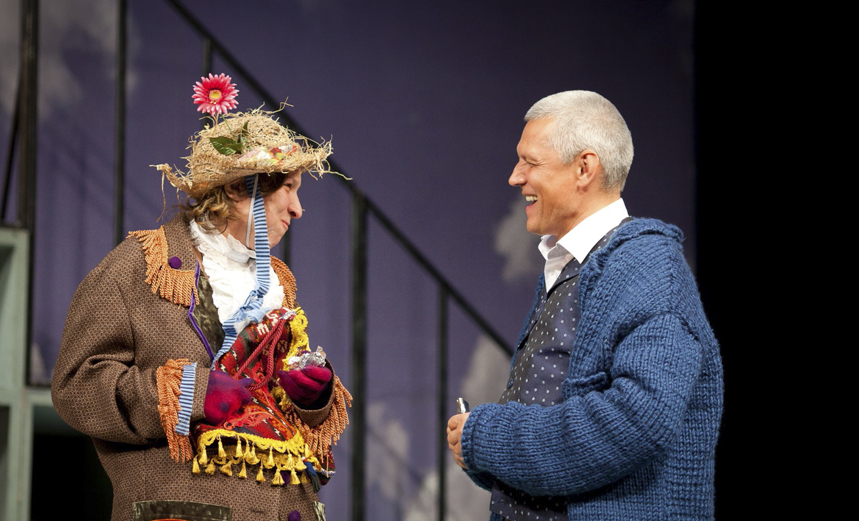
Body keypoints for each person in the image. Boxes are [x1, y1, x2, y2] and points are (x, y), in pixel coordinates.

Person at [52, 75, 350, 521]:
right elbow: (76, 385)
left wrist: (312, 399)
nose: (297, 209)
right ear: (237, 189)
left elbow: (288, 419)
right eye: (288, 188)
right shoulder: (141, 264)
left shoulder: (278, 282)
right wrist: (188, 394)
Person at [446, 90, 722, 520]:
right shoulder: (574, 265)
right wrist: (482, 453)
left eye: (530, 162)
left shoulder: (647, 266)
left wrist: (489, 438)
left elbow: (637, 419)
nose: (515, 177)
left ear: (584, 168)